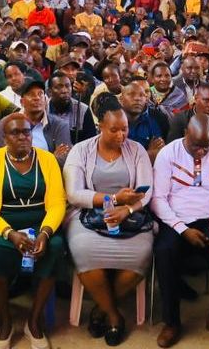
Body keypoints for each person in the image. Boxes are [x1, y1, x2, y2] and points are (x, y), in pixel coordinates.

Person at [64, 101, 155, 346]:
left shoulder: (136, 150)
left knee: (143, 252)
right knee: (83, 249)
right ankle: (114, 316)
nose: (121, 135)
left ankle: (101, 308)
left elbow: (146, 193)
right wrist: (112, 199)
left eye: (125, 129)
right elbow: (73, 194)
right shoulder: (80, 151)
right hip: (89, 216)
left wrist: (127, 208)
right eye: (114, 130)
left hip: (130, 218)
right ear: (99, 126)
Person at [0, 113, 67, 349]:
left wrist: (45, 233)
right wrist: (10, 234)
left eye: (26, 131)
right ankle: (5, 323)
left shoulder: (47, 160)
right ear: (5, 138)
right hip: (3, 225)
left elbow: (57, 203)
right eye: (15, 133)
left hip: (41, 224)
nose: (22, 137)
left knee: (55, 247)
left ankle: (33, 322)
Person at [150, 114, 209, 347]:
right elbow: (158, 199)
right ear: (185, 135)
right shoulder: (168, 153)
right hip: (176, 220)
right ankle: (172, 323)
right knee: (164, 251)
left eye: (206, 147)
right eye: (196, 146)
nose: (201, 152)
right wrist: (182, 229)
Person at [0, 79, 72, 164]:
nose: (37, 98)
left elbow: (63, 159)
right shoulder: (6, 123)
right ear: (22, 102)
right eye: (31, 94)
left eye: (40, 94)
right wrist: (51, 157)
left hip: (47, 175)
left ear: (45, 99)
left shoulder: (59, 125)